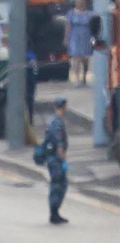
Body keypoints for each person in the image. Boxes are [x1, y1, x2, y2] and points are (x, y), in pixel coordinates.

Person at [43, 96, 69, 224]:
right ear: (64, 106)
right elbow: (59, 144)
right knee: (59, 184)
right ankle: (54, 213)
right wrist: (63, 160)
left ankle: (54, 212)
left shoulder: (51, 120)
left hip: (51, 157)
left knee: (57, 184)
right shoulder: (57, 122)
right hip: (56, 158)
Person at [65, 0, 95, 86]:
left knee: (85, 59)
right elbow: (68, 26)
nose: (79, 3)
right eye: (78, 2)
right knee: (76, 58)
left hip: (86, 36)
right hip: (74, 36)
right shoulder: (71, 13)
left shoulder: (90, 14)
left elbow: (93, 26)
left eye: (81, 2)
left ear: (85, 3)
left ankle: (84, 77)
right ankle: (77, 79)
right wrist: (66, 38)